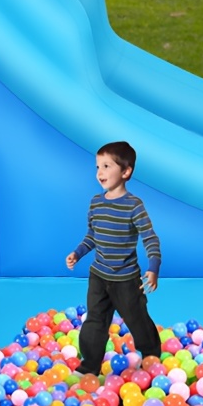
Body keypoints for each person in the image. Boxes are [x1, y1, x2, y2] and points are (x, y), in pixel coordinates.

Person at [65, 140, 162, 376]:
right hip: (98, 275)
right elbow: (92, 236)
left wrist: (153, 267)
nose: (100, 173)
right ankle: (89, 366)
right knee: (94, 321)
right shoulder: (96, 203)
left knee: (137, 318)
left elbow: (150, 238)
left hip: (126, 279)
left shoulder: (134, 206)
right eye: (98, 167)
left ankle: (151, 356)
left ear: (126, 171)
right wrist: (78, 253)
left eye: (107, 166)